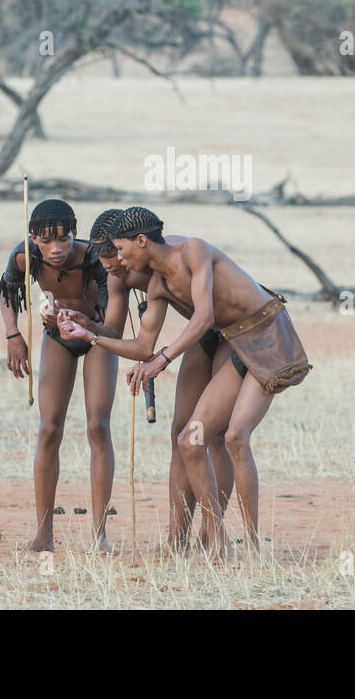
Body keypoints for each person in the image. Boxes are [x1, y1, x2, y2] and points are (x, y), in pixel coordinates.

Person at [93, 206, 310, 557]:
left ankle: (251, 548)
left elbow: (205, 315)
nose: (117, 259)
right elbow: (144, 345)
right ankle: (214, 541)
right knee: (189, 439)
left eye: (120, 249)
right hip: (233, 340)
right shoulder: (157, 285)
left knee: (234, 437)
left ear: (142, 240)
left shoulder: (193, 250)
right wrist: (88, 334)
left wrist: (163, 360)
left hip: (264, 336)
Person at [58, 208, 235, 551]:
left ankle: (212, 535)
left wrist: (162, 359)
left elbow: (196, 320)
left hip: (230, 333)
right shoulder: (118, 273)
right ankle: (177, 540)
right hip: (201, 337)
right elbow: (128, 340)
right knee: (180, 434)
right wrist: (87, 327)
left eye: (114, 255)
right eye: (103, 258)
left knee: (212, 437)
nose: (109, 266)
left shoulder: (170, 259)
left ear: (132, 245)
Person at [0, 199, 126, 554]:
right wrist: (13, 335)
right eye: (46, 241)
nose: (56, 249)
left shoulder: (94, 258)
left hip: (97, 335)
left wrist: (84, 323)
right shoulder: (24, 256)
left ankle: (99, 536)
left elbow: (111, 320)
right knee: (49, 428)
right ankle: (44, 536)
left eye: (64, 240)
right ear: (33, 239)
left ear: (74, 233)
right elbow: (7, 291)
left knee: (97, 426)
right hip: (57, 336)